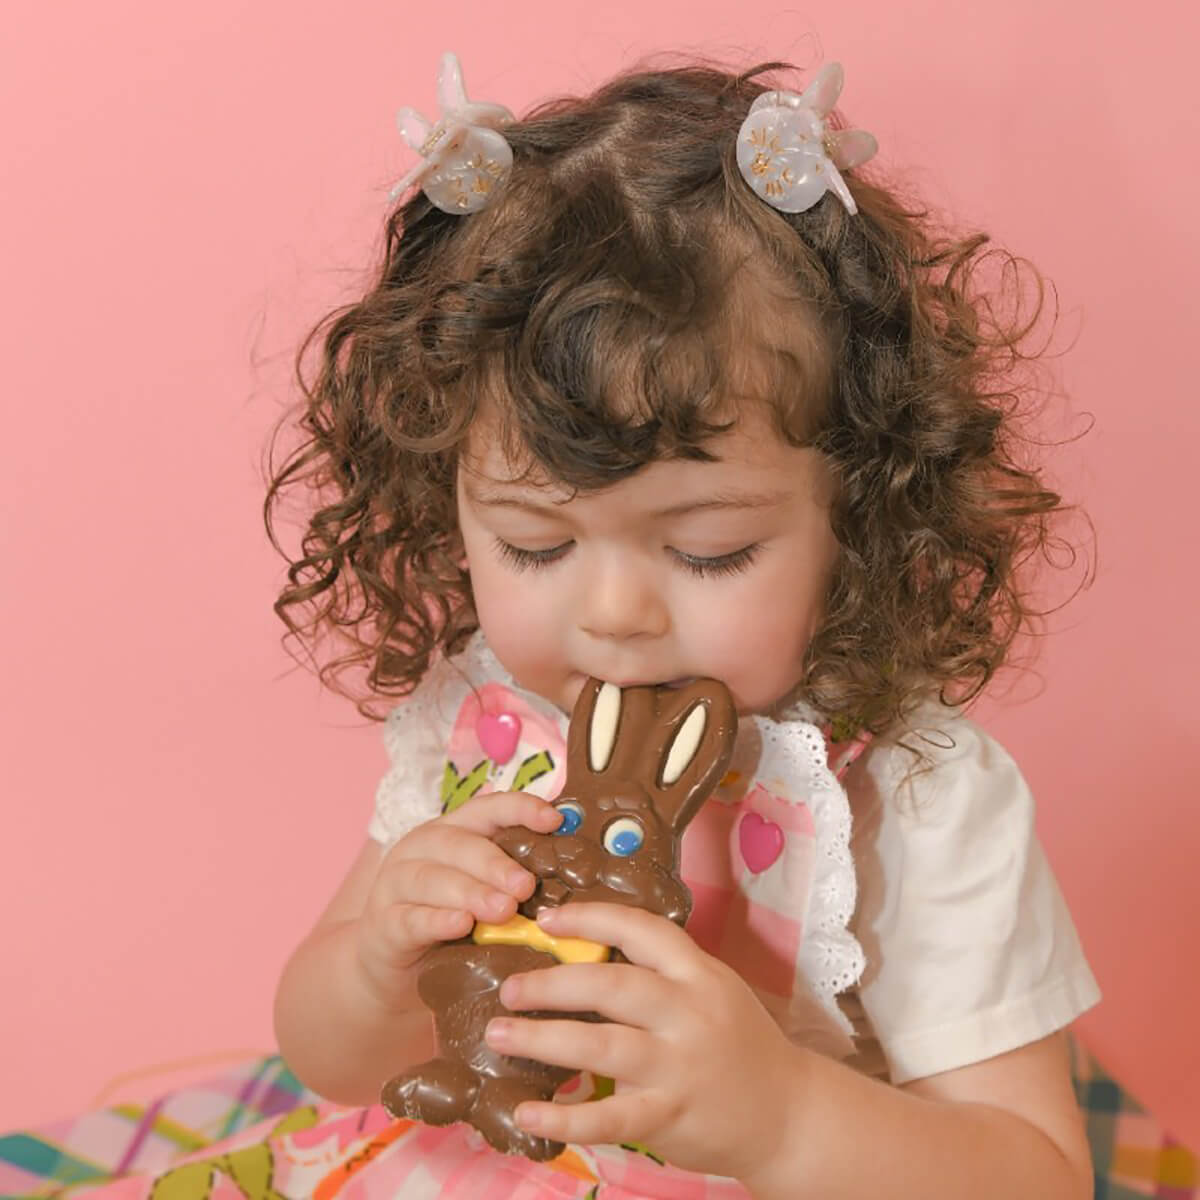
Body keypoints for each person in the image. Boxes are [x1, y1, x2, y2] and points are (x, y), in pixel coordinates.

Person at [268, 49, 1100, 1198]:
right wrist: (377, 970)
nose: (615, 616)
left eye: (709, 551)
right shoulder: (486, 731)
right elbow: (327, 1060)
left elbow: (1039, 1176)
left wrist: (783, 1117)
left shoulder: (916, 796)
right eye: (535, 545)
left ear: (860, 511)